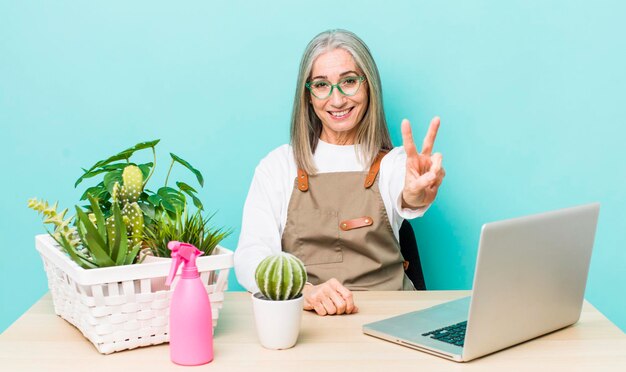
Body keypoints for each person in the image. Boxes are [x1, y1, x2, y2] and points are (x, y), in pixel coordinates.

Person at [234, 29, 445, 316]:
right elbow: (249, 257)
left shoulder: (394, 164)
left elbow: (409, 196)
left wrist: (415, 196)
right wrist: (304, 293)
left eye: (349, 81)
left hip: (394, 321)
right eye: (321, 85)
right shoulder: (278, 166)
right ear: (308, 96)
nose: (336, 100)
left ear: (368, 86)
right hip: (310, 322)